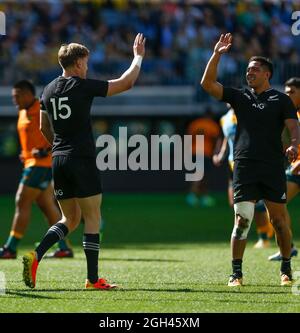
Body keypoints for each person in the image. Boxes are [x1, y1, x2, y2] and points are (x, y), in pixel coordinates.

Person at [22, 33, 146, 290]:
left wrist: (59, 145)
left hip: (59, 159)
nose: (87, 67)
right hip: (81, 157)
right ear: (78, 63)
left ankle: (36, 254)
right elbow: (126, 83)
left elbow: (44, 126)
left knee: (70, 219)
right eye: (86, 63)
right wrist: (138, 57)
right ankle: (92, 280)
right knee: (92, 217)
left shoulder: (47, 89)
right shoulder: (82, 85)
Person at [201, 33, 299, 287]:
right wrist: (217, 54)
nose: (249, 73)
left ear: (267, 74)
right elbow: (207, 84)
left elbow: (293, 125)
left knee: (278, 220)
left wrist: (295, 145)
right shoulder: (240, 96)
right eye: (247, 69)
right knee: (242, 220)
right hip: (244, 165)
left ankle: (286, 268)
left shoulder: (281, 99)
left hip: (272, 166)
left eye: (255, 69)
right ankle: (236, 273)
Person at [0, 80, 73, 259]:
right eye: (13, 97)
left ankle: (10, 248)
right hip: (32, 163)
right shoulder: (23, 111)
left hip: (41, 165)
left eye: (17, 96)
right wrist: (25, 153)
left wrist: (45, 150)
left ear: (28, 94)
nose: (15, 100)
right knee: (47, 206)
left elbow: (60, 133)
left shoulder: (42, 109)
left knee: (21, 201)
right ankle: (64, 247)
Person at [213, 106, 274, 249]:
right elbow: (227, 138)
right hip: (231, 164)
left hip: (247, 162)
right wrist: (222, 154)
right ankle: (247, 232)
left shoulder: (246, 114)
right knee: (234, 203)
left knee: (256, 203)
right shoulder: (224, 119)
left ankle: (263, 236)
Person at [268, 77, 300, 261]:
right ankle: (288, 248)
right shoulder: (290, 114)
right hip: (295, 170)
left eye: (292, 92)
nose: (287, 95)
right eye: (286, 92)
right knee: (276, 205)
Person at [186, 108, 221, 207]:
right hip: (205, 152)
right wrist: (217, 152)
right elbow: (216, 140)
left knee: (201, 175)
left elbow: (188, 138)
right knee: (201, 175)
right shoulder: (212, 125)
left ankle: (203, 197)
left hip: (194, 152)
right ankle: (193, 196)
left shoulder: (195, 123)